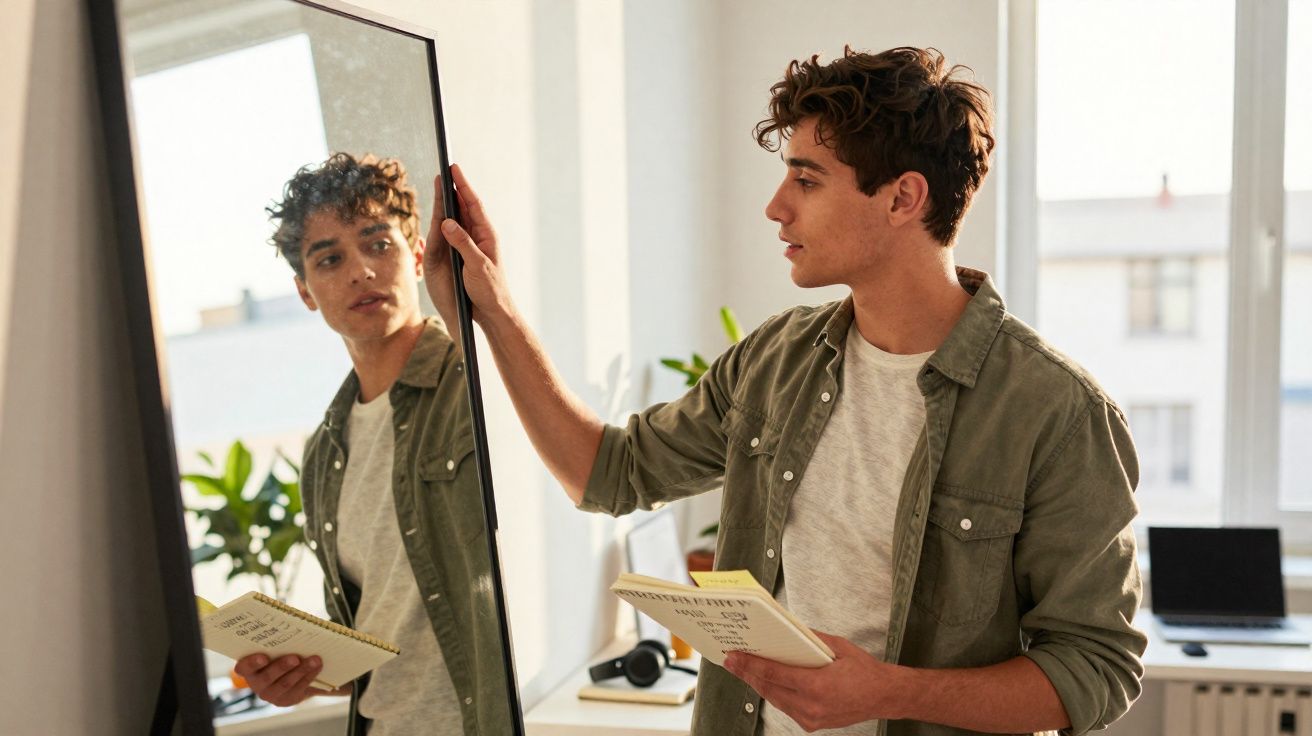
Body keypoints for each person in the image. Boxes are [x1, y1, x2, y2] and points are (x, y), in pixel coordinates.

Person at [426, 46, 1147, 735]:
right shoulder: (775, 360)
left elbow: (1097, 669)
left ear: (903, 198)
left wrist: (890, 690)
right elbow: (606, 473)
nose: (776, 207)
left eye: (807, 180)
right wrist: (495, 313)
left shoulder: (1057, 412)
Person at [232, 153, 511, 736]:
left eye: (378, 244)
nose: (360, 271)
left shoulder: (479, 385)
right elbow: (378, 636)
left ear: (416, 256)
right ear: (306, 292)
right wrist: (301, 676)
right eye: (329, 259)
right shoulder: (323, 454)